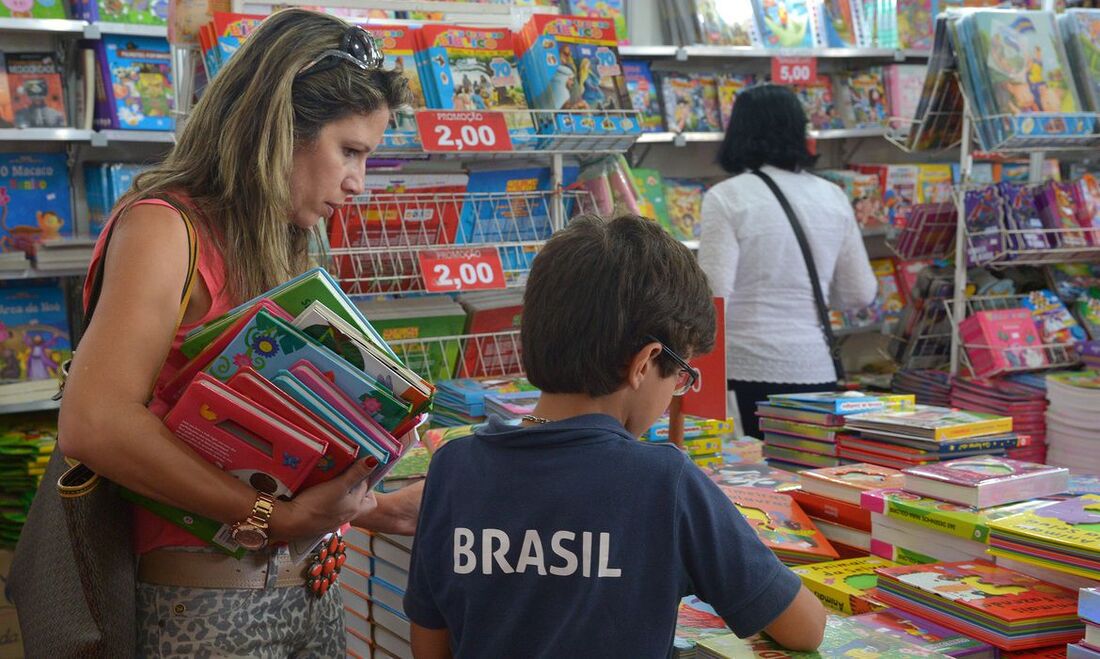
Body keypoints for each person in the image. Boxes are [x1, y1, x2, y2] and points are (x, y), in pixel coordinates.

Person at [57, 9, 422, 656]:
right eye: (350, 151)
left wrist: (371, 501)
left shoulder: (290, 240)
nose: (357, 184)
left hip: (313, 592)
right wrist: (273, 518)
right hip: (204, 603)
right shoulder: (165, 229)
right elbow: (97, 421)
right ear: (280, 128)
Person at [403, 214, 827, 657]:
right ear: (645, 363)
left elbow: (429, 645)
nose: (675, 393)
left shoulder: (454, 466)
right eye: (681, 376)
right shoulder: (665, 481)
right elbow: (805, 628)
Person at [698, 84, 878, 438]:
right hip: (816, 370)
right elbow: (859, 293)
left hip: (745, 369)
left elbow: (713, 293)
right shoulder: (833, 196)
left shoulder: (726, 198)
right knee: (810, 484)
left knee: (751, 487)